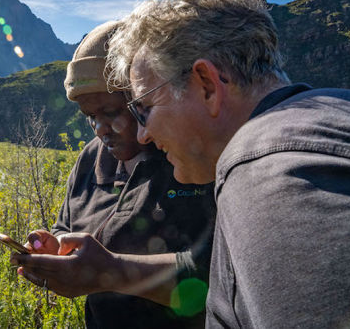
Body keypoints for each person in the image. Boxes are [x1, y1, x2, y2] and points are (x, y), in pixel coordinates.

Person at [106, 0, 350, 328]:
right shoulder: (343, 109)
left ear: (207, 85)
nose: (143, 135)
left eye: (145, 109)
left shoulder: (267, 174)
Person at [11, 21, 217, 329]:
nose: (100, 129)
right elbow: (65, 227)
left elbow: (220, 277)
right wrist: (52, 249)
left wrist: (111, 271)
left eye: (110, 112)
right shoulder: (91, 159)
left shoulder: (190, 158)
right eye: (90, 117)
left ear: (142, 96)